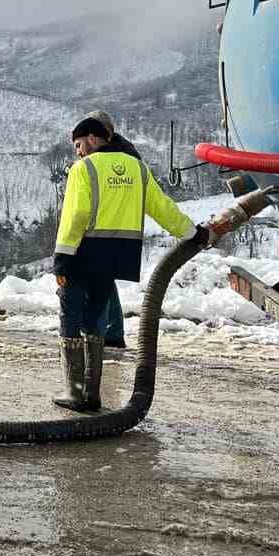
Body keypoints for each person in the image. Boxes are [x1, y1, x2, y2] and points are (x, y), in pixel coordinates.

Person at [52, 115, 204, 412]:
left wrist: (61, 260)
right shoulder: (137, 167)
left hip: (83, 253)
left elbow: (75, 217)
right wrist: (193, 233)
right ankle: (92, 393)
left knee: (70, 315)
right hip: (117, 257)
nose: (78, 151)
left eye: (79, 144)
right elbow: (162, 208)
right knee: (95, 317)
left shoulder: (83, 169)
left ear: (93, 139)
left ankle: (75, 391)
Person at [82, 110, 142, 351]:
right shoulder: (121, 150)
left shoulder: (117, 155)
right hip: (117, 223)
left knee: (98, 278)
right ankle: (110, 333)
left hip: (109, 223)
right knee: (102, 278)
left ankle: (108, 333)